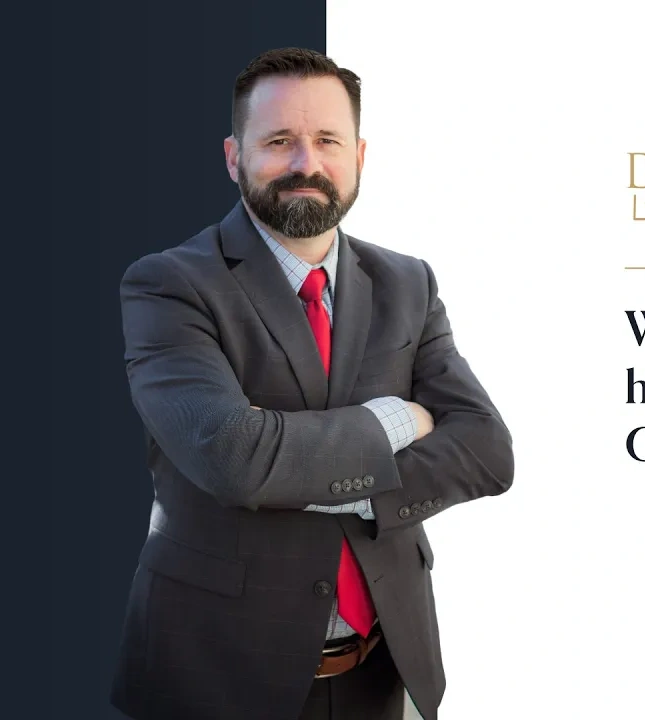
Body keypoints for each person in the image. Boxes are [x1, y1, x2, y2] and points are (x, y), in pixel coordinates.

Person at [109, 47, 514, 720]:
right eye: (278, 141)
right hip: (217, 677)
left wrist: (314, 474)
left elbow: (488, 452)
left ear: (358, 154)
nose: (307, 163)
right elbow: (234, 458)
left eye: (327, 140)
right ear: (234, 157)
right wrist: (399, 420)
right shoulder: (169, 285)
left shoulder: (407, 283)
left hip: (384, 669)